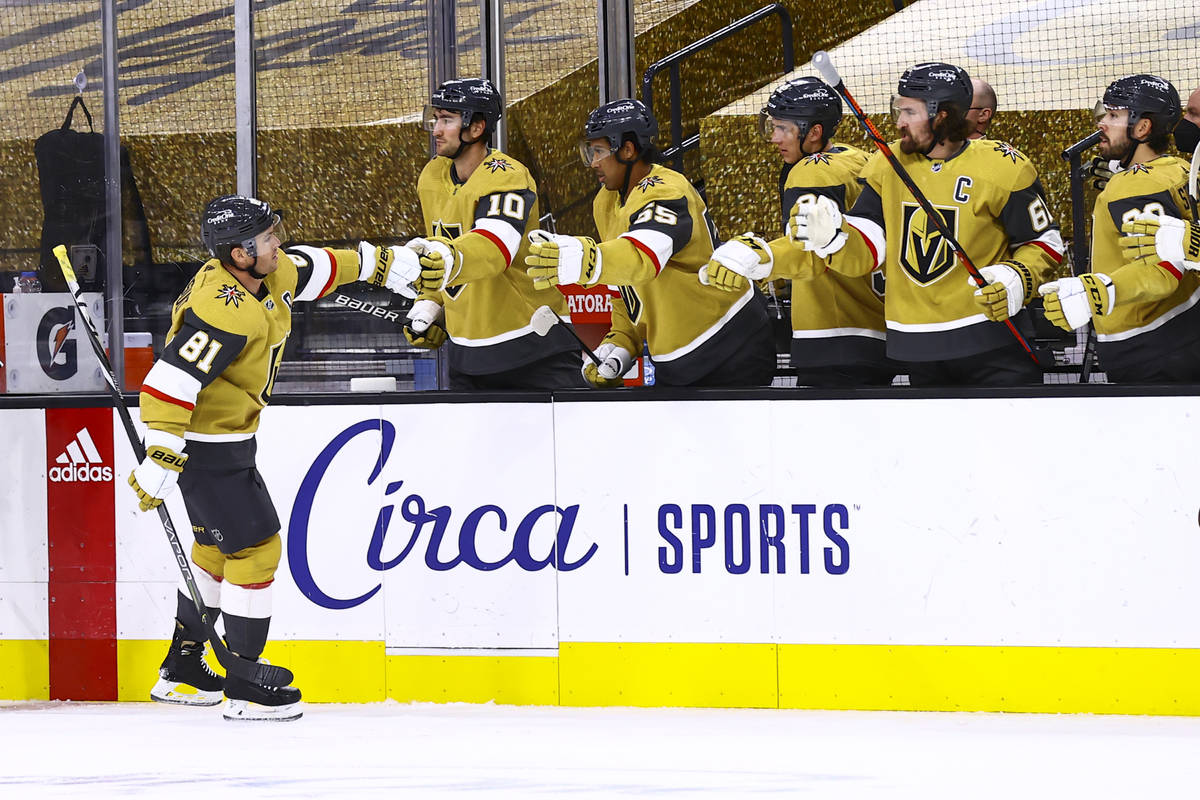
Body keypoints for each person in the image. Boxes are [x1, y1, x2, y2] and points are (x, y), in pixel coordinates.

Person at [131, 194, 421, 720]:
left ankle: (183, 669)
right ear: (240, 254)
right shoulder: (223, 308)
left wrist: (382, 264)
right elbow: (170, 380)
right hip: (206, 448)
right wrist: (162, 452)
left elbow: (313, 268)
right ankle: (244, 681)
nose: (277, 242)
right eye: (267, 238)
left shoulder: (262, 273)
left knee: (217, 553)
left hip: (227, 441)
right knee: (256, 550)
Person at [790, 62, 1064, 386]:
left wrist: (1015, 278)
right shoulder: (887, 163)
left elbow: (1045, 242)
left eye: (909, 112)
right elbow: (869, 246)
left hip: (993, 340)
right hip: (918, 346)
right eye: (898, 109)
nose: (899, 122)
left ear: (943, 116)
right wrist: (833, 239)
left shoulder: (1004, 166)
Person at [522, 99, 775, 388]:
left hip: (732, 342)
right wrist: (620, 344)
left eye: (600, 151)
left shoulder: (666, 189)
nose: (593, 162)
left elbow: (643, 257)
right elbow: (623, 286)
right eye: (590, 152)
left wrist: (583, 259)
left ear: (628, 150)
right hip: (676, 358)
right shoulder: (604, 202)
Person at [698, 77, 895, 387]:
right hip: (874, 329)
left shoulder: (810, 171)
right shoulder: (859, 159)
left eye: (782, 128)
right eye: (771, 126)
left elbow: (809, 248)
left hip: (833, 333)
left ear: (813, 132)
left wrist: (760, 258)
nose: (774, 138)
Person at [407, 77, 583, 390]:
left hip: (533, 350)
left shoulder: (508, 175)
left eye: (446, 120)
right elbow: (437, 251)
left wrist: (441, 260)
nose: (435, 130)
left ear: (476, 128)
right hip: (466, 354)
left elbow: (493, 249)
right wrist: (430, 306)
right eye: (435, 119)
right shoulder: (431, 176)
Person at [1041, 75, 1200, 382]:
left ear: (1142, 128)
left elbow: (1163, 271)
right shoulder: (1179, 167)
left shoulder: (1131, 187)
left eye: (1114, 115)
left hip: (1150, 348)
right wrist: (1123, 171)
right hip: (1183, 332)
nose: (1103, 123)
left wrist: (1098, 293)